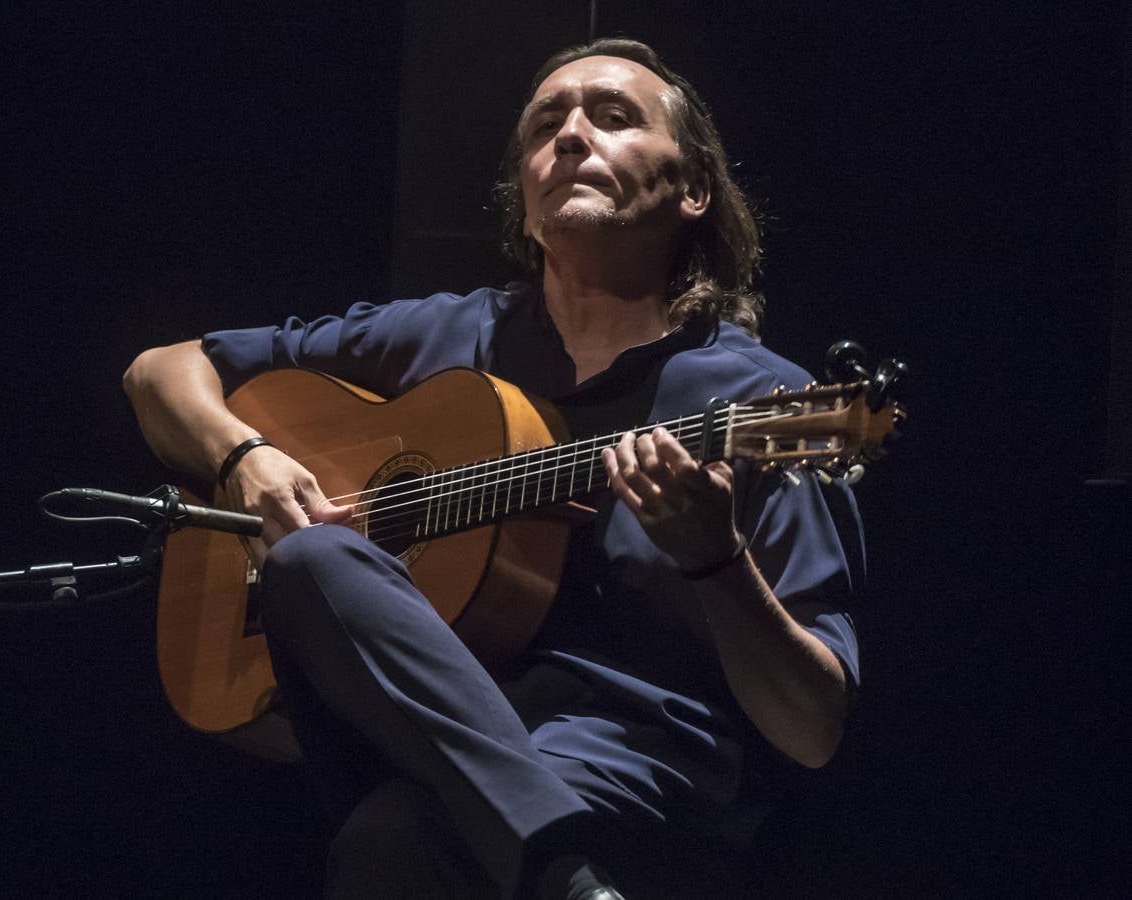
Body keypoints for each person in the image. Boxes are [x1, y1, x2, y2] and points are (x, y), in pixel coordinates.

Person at [124, 38, 863, 900]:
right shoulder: (444, 336)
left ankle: (562, 864)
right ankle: (568, 882)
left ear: (694, 188)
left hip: (640, 781)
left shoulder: (762, 401)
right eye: (546, 126)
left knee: (387, 840)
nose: (572, 136)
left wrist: (718, 561)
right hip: (421, 737)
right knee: (315, 557)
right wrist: (243, 456)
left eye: (613, 117)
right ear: (525, 202)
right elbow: (160, 371)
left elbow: (812, 728)